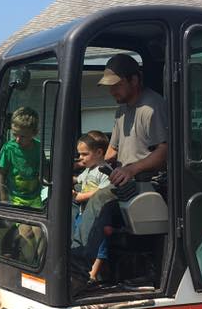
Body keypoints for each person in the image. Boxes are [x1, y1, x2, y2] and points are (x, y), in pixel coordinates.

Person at [71, 53, 169, 277]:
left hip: (146, 183)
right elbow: (113, 150)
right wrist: (87, 166)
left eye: (117, 85)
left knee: (99, 199)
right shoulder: (122, 110)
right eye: (109, 86)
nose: (111, 91)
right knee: (72, 196)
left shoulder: (151, 107)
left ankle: (77, 269)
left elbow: (163, 153)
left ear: (134, 80)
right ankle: (74, 255)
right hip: (124, 179)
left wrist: (131, 169)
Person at [73, 131, 111, 281]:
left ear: (99, 152)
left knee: (99, 245)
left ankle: (92, 275)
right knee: (83, 239)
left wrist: (80, 196)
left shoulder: (104, 170)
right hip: (84, 213)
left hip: (99, 215)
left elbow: (103, 191)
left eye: (84, 154)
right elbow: (79, 180)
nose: (80, 158)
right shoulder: (89, 169)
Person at [0, 106, 43, 208]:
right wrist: (3, 199)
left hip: (35, 198)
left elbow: (43, 172)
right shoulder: (9, 149)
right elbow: (1, 174)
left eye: (22, 136)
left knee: (39, 224)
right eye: (15, 134)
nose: (17, 139)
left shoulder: (39, 148)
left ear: (34, 133)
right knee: (24, 225)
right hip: (15, 199)